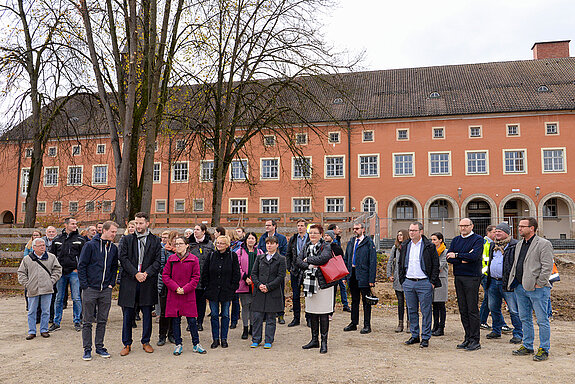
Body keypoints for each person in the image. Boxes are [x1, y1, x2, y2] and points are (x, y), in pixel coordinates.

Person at [508, 217, 554, 361]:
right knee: (524, 318)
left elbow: (547, 266)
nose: (519, 228)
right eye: (519, 226)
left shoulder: (544, 244)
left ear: (532, 228)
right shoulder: (519, 244)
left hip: (537, 289)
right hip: (520, 287)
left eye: (522, 226)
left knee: (542, 319)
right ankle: (527, 345)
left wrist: (540, 283)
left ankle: (544, 348)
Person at [117, 212, 162, 356]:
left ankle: (146, 341)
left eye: (141, 223)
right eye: (136, 223)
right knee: (128, 314)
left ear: (147, 223)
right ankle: (127, 343)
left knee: (147, 313)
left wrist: (146, 273)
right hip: (130, 281)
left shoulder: (155, 240)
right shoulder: (127, 239)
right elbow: (123, 259)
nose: (138, 226)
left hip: (147, 281)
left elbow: (157, 261)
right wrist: (135, 273)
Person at [77, 221, 119, 361]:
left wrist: (111, 284)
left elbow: (114, 267)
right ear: (104, 231)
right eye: (112, 231)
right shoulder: (90, 246)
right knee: (87, 321)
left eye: (115, 232)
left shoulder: (113, 248)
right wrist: (85, 285)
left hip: (105, 290)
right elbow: (82, 265)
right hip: (90, 289)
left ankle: (100, 347)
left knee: (102, 320)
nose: (114, 234)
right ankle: (87, 349)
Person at [163, 235, 207, 355]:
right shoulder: (171, 259)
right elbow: (165, 276)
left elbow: (196, 277)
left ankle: (196, 344)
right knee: (175, 320)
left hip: (188, 294)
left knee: (192, 320)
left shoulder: (193, 259)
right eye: (176, 244)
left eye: (180, 244)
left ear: (187, 245)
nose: (178, 246)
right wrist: (176, 287)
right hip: (174, 294)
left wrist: (185, 288)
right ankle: (178, 344)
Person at [398, 222, 440, 348]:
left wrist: (431, 282)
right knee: (411, 310)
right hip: (409, 282)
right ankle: (415, 335)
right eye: (410, 230)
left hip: (424, 283)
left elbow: (435, 265)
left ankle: (425, 337)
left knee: (426, 311)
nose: (411, 232)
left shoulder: (429, 246)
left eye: (414, 230)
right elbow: (400, 264)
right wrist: (403, 280)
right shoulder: (405, 245)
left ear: (420, 231)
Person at [297, 224, 337, 353]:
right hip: (309, 283)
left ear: (321, 234)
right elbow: (298, 261)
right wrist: (310, 266)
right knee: (312, 312)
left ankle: (324, 342)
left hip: (323, 284)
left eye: (315, 233)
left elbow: (324, 258)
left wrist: (308, 259)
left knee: (323, 313)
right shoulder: (306, 246)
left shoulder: (326, 245)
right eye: (311, 233)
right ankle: (314, 340)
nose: (312, 235)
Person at [446, 218, 484, 351]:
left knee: (472, 309)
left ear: (471, 226)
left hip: (472, 277)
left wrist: (457, 255)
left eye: (466, 226)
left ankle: (475, 340)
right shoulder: (456, 240)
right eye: (461, 225)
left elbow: (474, 257)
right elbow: (449, 258)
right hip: (459, 277)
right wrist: (461, 258)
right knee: (463, 309)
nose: (463, 228)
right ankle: (467, 337)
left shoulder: (478, 239)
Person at [485, 223, 522, 344]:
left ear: (506, 233)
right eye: (495, 232)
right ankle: (496, 330)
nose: (497, 234)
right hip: (493, 282)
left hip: (508, 283)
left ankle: (518, 333)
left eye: (499, 232)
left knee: (513, 310)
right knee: (493, 308)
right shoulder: (493, 246)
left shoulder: (514, 245)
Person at [17, 238, 62, 340]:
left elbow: (58, 270)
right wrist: (27, 284)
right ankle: (32, 331)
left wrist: (51, 281)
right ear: (34, 247)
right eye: (40, 245)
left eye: (44, 245)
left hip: (47, 289)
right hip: (33, 289)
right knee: (32, 311)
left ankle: (44, 330)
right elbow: (21, 273)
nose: (43, 247)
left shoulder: (51, 257)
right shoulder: (27, 259)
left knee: (45, 311)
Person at [201, 235, 240, 349]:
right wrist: (206, 287)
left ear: (227, 245)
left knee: (225, 315)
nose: (219, 245)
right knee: (214, 315)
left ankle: (224, 338)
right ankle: (215, 339)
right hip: (213, 290)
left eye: (222, 243)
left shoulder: (232, 256)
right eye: (217, 243)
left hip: (226, 291)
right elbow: (205, 272)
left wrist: (233, 288)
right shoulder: (211, 255)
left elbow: (236, 274)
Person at [49, 217, 86, 332]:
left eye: (76, 224)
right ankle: (56, 322)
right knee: (59, 298)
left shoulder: (80, 239)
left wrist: (78, 269)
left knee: (76, 297)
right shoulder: (57, 239)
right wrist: (56, 270)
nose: (75, 225)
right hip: (60, 273)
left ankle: (77, 321)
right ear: (66, 225)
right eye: (72, 223)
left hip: (74, 272)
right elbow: (52, 256)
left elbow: (84, 257)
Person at [249, 236, 287, 349]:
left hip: (272, 292)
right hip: (259, 291)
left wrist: (268, 287)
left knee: (271, 318)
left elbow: (281, 276)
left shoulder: (281, 259)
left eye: (272, 243)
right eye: (267, 243)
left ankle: (269, 340)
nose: (269, 246)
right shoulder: (260, 258)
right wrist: (259, 285)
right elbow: (254, 273)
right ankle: (256, 339)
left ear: (277, 245)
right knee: (257, 317)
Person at [343, 222, 377, 334]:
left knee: (366, 301)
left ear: (363, 229)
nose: (355, 230)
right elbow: (346, 259)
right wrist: (345, 275)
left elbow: (372, 262)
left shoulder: (368, 243)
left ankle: (367, 325)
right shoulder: (351, 242)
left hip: (364, 275)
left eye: (357, 228)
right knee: (354, 300)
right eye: (354, 228)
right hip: (352, 274)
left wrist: (371, 279)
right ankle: (353, 323)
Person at [258, 219, 288, 324]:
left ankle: (280, 314)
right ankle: (266, 313)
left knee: (279, 291)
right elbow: (260, 251)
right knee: (265, 292)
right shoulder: (262, 238)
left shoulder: (282, 238)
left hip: (277, 267)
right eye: (266, 225)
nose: (266, 227)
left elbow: (285, 252)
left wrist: (277, 260)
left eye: (269, 225)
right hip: (265, 267)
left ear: (274, 226)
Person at [236, 232, 263, 339]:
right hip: (244, 283)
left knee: (254, 307)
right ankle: (245, 328)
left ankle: (253, 327)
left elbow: (262, 266)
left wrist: (256, 280)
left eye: (253, 238)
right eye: (249, 238)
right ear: (245, 240)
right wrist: (245, 277)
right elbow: (237, 266)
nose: (251, 240)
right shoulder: (240, 252)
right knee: (245, 306)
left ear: (255, 240)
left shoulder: (260, 252)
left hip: (255, 284)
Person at [188, 224, 215, 331]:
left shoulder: (209, 244)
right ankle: (191, 322)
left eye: (198, 230)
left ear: (203, 231)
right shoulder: (189, 243)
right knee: (191, 301)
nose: (195, 231)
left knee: (201, 301)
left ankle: (199, 322)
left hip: (204, 278)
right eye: (194, 229)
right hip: (191, 278)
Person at [285, 218, 310, 327]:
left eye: (301, 226)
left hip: (307, 270)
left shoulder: (310, 238)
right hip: (295, 270)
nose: (300, 227)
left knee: (308, 295)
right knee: (295, 296)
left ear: (305, 227)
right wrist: (289, 267)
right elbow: (288, 254)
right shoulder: (293, 239)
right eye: (298, 225)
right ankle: (296, 318)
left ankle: (309, 318)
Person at [157, 231, 178, 346]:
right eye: (174, 238)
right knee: (164, 312)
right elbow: (161, 268)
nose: (176, 241)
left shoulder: (182, 253)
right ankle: (162, 335)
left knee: (175, 312)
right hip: (166, 285)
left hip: (178, 286)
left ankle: (172, 334)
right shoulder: (164, 251)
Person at [387, 229, 409, 333]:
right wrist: (389, 274)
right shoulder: (395, 248)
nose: (399, 236)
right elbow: (390, 261)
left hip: (408, 277)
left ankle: (410, 323)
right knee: (400, 302)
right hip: (397, 278)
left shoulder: (409, 246)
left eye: (401, 235)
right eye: (398, 235)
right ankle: (400, 324)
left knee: (410, 303)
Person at [327, 223, 350, 313]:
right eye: (337, 228)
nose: (339, 230)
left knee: (342, 286)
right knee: (337, 287)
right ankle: (336, 306)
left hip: (338, 266)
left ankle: (344, 304)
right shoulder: (333, 242)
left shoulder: (337, 240)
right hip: (334, 267)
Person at [430, 232, 448, 337]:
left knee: (441, 305)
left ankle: (441, 327)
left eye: (435, 239)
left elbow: (440, 266)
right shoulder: (432, 251)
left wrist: (432, 268)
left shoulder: (445, 252)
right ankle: (435, 325)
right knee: (434, 305)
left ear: (440, 240)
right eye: (432, 240)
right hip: (433, 280)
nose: (433, 242)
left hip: (441, 281)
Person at [323, 230, 343, 319]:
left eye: (328, 235)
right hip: (324, 272)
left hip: (333, 273)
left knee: (332, 293)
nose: (326, 237)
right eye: (325, 235)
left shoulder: (336, 248)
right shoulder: (322, 246)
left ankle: (330, 311)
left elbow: (341, 259)